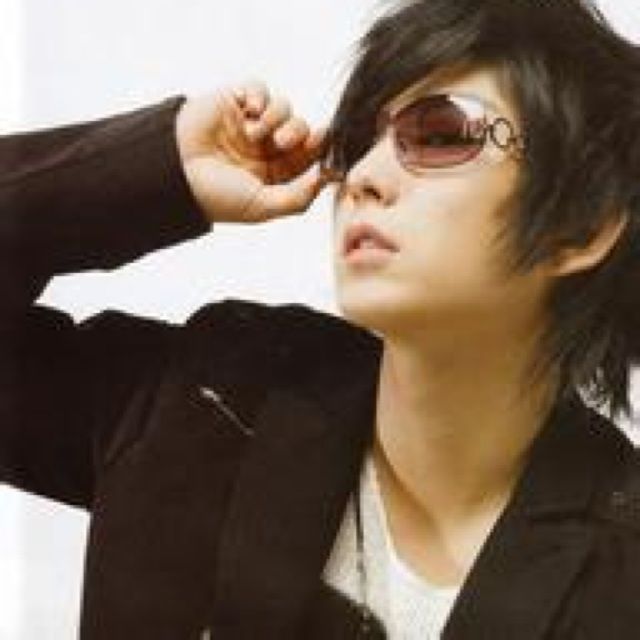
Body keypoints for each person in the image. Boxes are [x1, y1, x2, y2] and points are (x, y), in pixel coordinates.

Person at [2, 0, 640, 637]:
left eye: (440, 135)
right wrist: (158, 166)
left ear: (579, 225)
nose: (363, 175)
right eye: (361, 142)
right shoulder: (212, 399)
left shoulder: (620, 578)